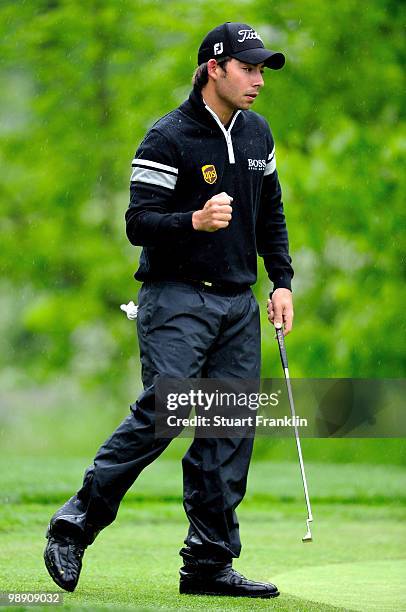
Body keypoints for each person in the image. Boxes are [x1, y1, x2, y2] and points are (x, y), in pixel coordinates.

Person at [43, 21, 294, 599]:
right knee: (170, 409)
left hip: (238, 301)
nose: (257, 80)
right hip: (177, 295)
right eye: (249, 68)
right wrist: (194, 222)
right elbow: (138, 223)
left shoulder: (258, 134)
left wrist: (280, 280)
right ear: (215, 68)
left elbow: (271, 215)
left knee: (228, 429)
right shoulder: (169, 137)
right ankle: (75, 523)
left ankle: (208, 564)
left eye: (262, 70)